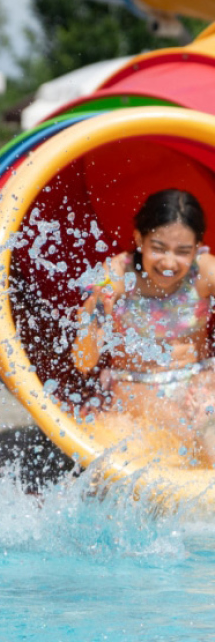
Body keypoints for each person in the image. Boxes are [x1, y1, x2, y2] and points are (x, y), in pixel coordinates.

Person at [73, 188, 215, 463]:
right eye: (158, 248)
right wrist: (95, 310)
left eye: (183, 251)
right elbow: (84, 362)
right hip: (137, 391)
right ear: (140, 239)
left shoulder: (205, 271)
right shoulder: (119, 273)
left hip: (198, 384)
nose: (169, 262)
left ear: (197, 247)